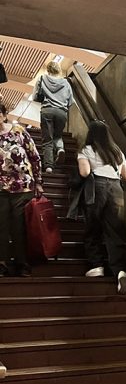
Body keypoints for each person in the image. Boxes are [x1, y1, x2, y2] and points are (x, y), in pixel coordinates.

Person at [78, 120, 126, 294]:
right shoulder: (118, 152)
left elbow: (84, 173)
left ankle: (97, 265)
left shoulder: (87, 150)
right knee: (115, 230)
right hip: (116, 189)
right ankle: (120, 271)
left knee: (92, 227)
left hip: (96, 188)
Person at [0, 102, 42, 277]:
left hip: (23, 186)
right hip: (1, 187)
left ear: (3, 115)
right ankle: (1, 263)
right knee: (1, 226)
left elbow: (34, 156)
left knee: (19, 226)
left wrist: (39, 181)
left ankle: (21, 263)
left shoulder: (18, 131)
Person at [35, 60, 73, 173]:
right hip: (61, 112)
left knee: (47, 139)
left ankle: (49, 166)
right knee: (57, 135)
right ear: (59, 70)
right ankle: (60, 149)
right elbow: (70, 101)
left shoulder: (42, 79)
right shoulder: (66, 83)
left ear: (48, 69)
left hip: (47, 111)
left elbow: (35, 97)